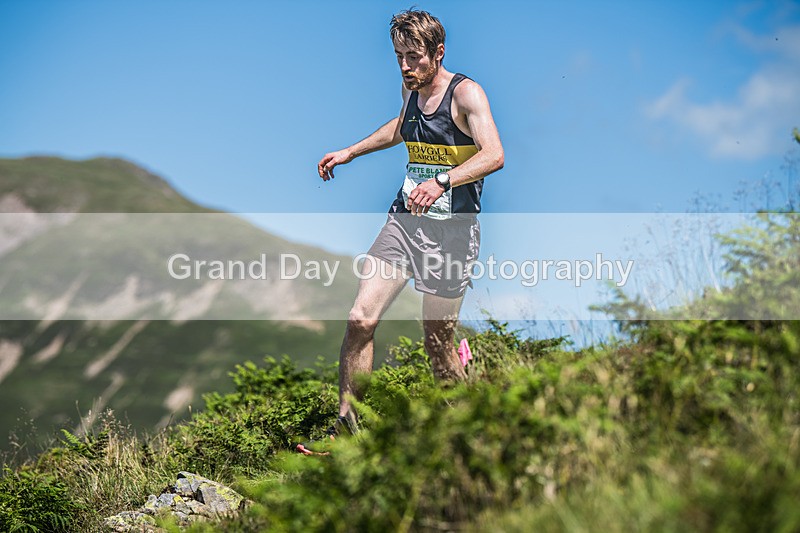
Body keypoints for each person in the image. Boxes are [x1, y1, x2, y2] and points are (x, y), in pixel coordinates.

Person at [313, 8, 503, 441]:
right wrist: (351, 151)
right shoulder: (410, 88)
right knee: (361, 318)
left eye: (414, 57)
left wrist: (442, 181)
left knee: (437, 348)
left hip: (454, 231)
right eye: (399, 56)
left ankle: (468, 433)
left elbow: (494, 154)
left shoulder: (466, 95)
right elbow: (403, 127)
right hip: (405, 221)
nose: (405, 66)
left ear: (438, 52)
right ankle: (349, 428)